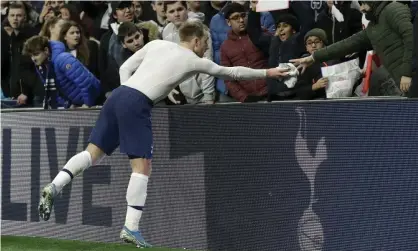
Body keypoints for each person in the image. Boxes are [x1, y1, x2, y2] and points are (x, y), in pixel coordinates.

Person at [38, 20, 289, 248]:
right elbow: (232, 72)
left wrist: (127, 93)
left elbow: (125, 66)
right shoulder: (193, 60)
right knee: (142, 166)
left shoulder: (156, 44)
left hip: (117, 97)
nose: (205, 49)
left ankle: (54, 186)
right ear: (197, 40)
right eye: (205, 44)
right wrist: (269, 72)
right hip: (136, 102)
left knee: (92, 154)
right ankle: (131, 228)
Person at [290, 1, 413, 96]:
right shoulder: (373, 27)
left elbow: (412, 39)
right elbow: (346, 45)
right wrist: (314, 57)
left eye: (363, 3)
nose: (361, 8)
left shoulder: (394, 9)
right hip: (400, 79)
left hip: (411, 76)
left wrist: (407, 73)